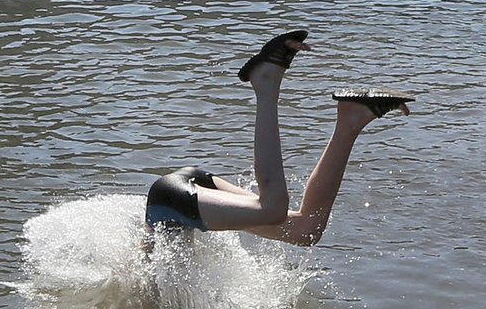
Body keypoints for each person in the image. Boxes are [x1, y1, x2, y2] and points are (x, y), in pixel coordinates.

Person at [145, 31, 413, 248]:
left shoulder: (140, 302)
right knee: (306, 230)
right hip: (189, 192)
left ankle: (265, 82)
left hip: (170, 200)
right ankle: (352, 120)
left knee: (272, 208)